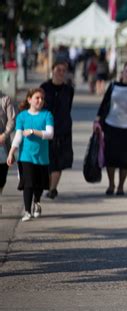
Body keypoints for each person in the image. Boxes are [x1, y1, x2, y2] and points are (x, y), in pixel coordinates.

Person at [95, 61, 127, 196]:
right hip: (111, 125)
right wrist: (97, 120)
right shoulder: (113, 86)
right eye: (125, 71)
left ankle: (121, 186)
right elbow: (104, 103)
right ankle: (111, 184)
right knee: (110, 157)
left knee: (124, 158)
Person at [7, 88, 54, 221]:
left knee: (38, 184)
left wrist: (33, 131)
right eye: (37, 98)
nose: (40, 100)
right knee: (28, 183)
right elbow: (18, 136)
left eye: (42, 98)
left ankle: (37, 202)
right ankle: (27, 211)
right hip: (25, 156)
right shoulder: (22, 116)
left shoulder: (47, 115)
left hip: (42, 156)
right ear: (29, 100)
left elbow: (50, 134)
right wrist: (11, 153)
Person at [40, 61, 74, 199]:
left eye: (63, 70)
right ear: (52, 70)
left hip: (63, 129)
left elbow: (68, 107)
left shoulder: (69, 90)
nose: (60, 73)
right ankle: (49, 186)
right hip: (46, 128)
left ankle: (53, 189)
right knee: (47, 160)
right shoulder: (44, 87)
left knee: (59, 161)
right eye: (58, 69)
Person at [0, 90, 16, 194]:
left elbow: (12, 120)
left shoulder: (5, 99)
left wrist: (4, 135)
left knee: (1, 178)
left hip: (2, 144)